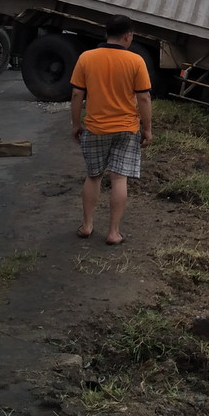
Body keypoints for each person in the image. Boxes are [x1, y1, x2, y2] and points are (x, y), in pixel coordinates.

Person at [70, 15, 153, 245]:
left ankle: (87, 226)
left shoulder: (86, 58)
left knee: (93, 176)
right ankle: (113, 232)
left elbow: (77, 94)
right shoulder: (136, 61)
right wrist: (147, 129)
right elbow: (144, 98)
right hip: (126, 130)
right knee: (119, 179)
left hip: (96, 128)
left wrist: (76, 124)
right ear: (128, 35)